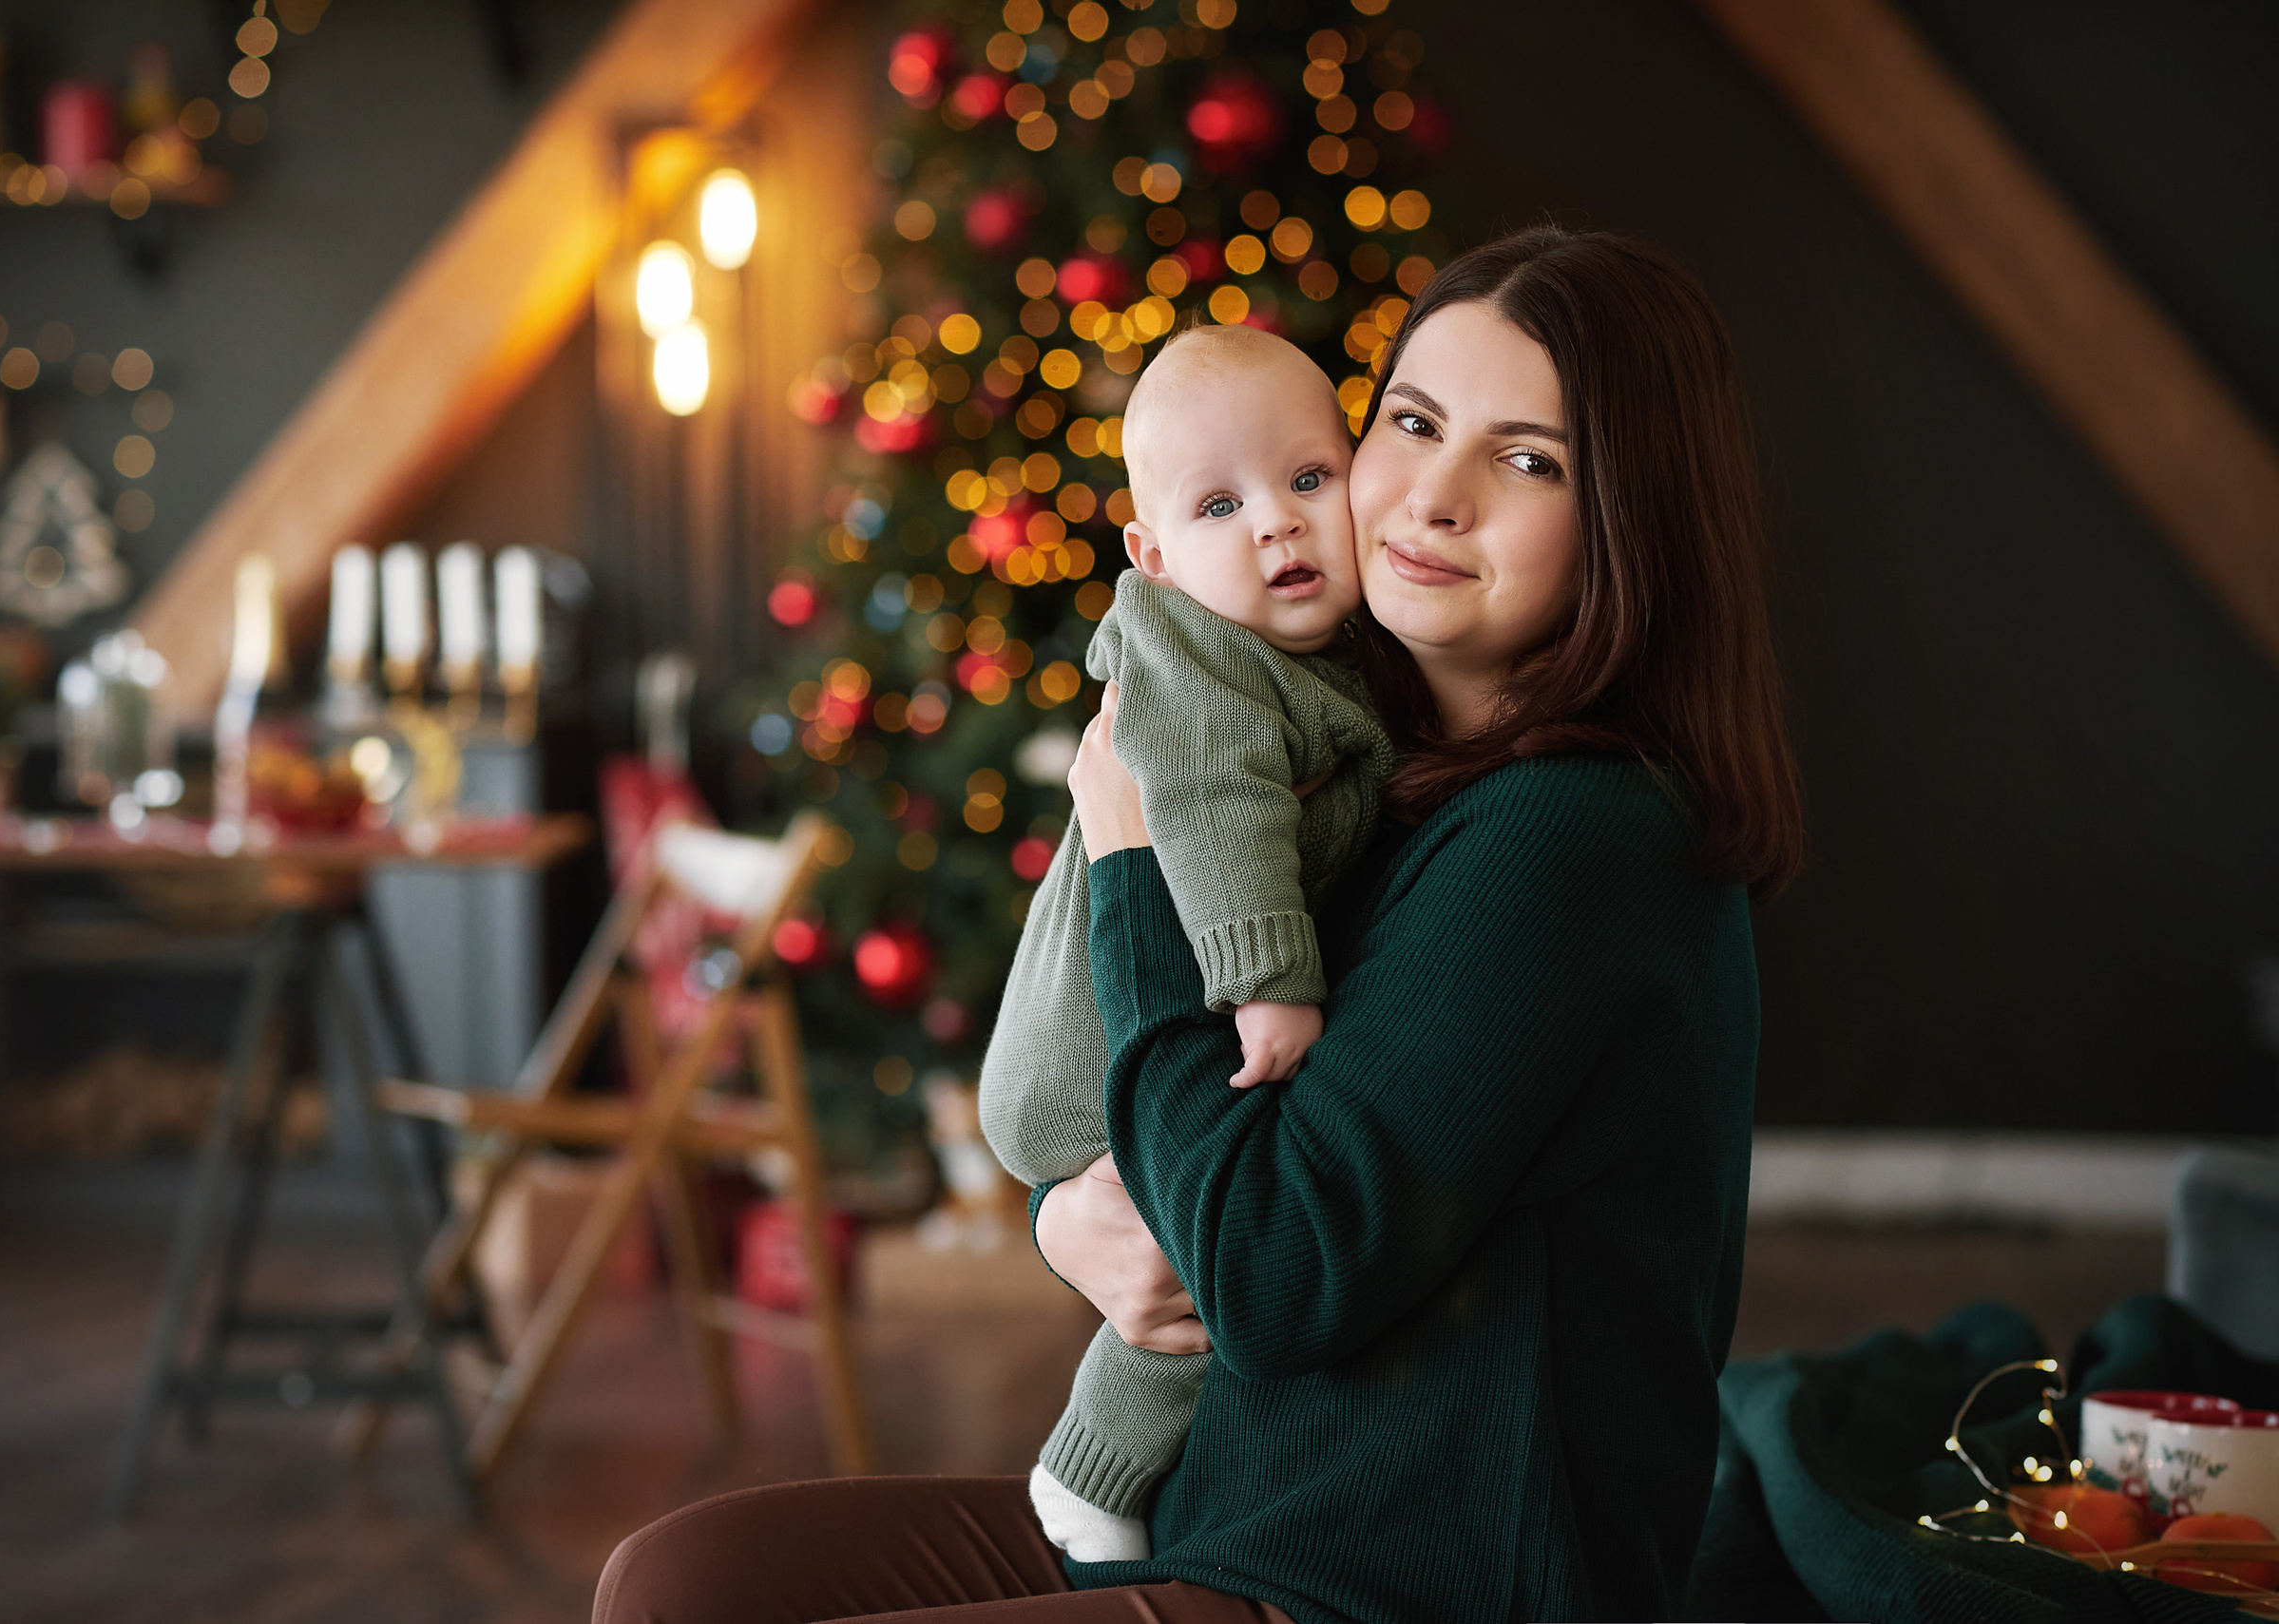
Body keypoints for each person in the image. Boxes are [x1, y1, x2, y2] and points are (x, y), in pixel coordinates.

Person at [592, 224, 1804, 1624]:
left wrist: (1129, 854)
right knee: (676, 1582)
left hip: (1389, 1577)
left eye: (1529, 459)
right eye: (1411, 422)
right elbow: (1189, 1159)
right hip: (1225, 1505)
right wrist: (1062, 1216)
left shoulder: (1575, 837)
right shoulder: (1363, 752)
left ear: (1634, 521)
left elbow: (1272, 1271)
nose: (1435, 495)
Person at [975, 322, 1395, 1564]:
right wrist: (1269, 985)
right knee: (1201, 1253)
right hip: (1082, 1049)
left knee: (1198, 1248)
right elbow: (1214, 811)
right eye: (1223, 504)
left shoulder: (1320, 661)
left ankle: (1097, 1476)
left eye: (1310, 479)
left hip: (1128, 1033)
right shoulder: (1194, 654)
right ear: (1153, 556)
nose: (1279, 523)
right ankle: (1087, 1475)